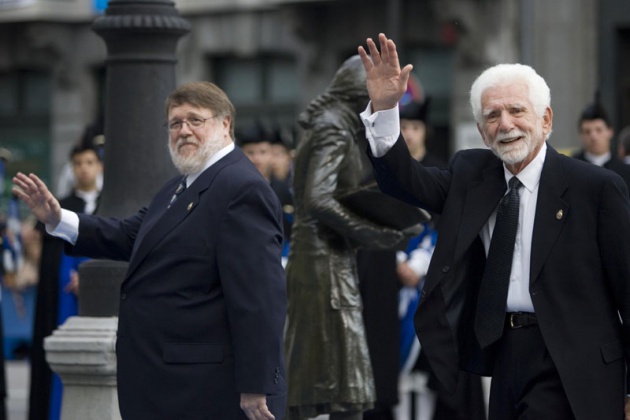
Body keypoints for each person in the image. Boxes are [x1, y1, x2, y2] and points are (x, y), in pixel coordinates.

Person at [357, 33, 630, 420]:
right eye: (492, 116)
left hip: (576, 362)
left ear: (545, 119)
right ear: (482, 131)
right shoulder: (471, 175)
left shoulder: (596, 188)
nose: (506, 125)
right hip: (503, 354)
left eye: (517, 111)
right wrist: (386, 111)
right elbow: (406, 180)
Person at [13, 81, 287, 420]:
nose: (183, 131)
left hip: (207, 388)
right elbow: (131, 234)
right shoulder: (180, 184)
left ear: (225, 123)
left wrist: (257, 383)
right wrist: (60, 219)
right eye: (175, 123)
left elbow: (259, 298)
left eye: (195, 120)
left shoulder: (240, 187)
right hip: (170, 382)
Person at [283, 55, 405, 420]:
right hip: (324, 262)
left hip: (325, 256)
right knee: (342, 382)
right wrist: (373, 233)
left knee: (330, 381)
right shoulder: (333, 127)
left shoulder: (332, 124)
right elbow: (318, 198)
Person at [395, 99, 485, 420]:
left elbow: (451, 230)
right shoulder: (382, 176)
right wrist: (396, 262)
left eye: (414, 128)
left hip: (431, 285)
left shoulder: (441, 172)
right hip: (391, 287)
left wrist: (420, 266)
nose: (408, 135)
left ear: (426, 132)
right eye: (403, 128)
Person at [28, 138, 103, 420]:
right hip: (61, 295)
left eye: (89, 163)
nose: (84, 169)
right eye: (78, 164)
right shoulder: (59, 205)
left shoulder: (111, 201)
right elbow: (41, 247)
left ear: (100, 166)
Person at [572, 94, 630, 190]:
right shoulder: (571, 169)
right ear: (581, 135)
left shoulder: (625, 171)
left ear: (610, 131)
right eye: (587, 131)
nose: (593, 136)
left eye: (599, 130)